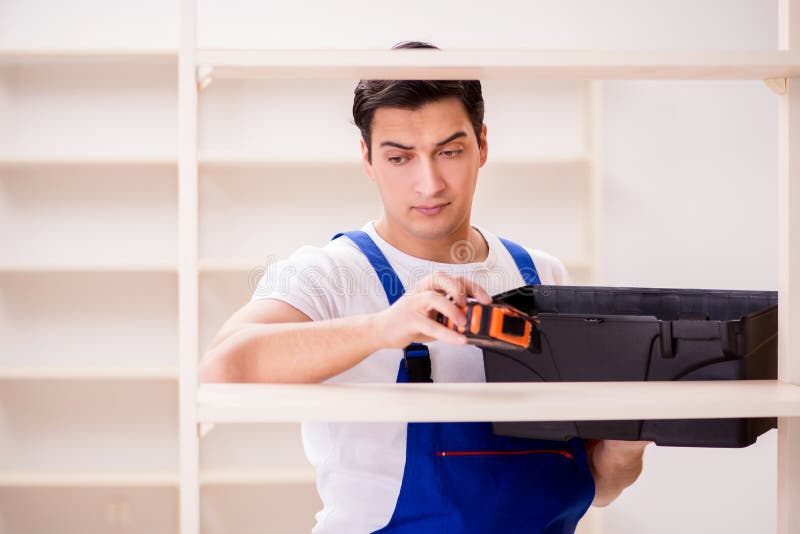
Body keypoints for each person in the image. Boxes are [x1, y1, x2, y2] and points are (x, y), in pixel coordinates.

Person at [199, 41, 649, 534]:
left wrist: (631, 437)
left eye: (449, 151)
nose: (429, 183)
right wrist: (381, 328)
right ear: (368, 159)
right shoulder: (326, 274)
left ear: (482, 145)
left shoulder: (542, 276)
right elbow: (222, 370)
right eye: (400, 158)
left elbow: (600, 485)